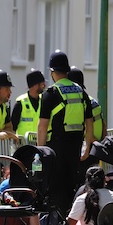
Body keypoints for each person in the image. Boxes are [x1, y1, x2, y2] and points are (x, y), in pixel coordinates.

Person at [37, 50, 94, 216]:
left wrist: (41, 152)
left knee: (55, 188)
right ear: (67, 71)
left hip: (55, 147)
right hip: (75, 146)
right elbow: (89, 123)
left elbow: (42, 126)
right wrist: (87, 147)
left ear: (52, 72)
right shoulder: (81, 92)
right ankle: (70, 221)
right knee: (71, 186)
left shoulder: (51, 94)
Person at [68, 66, 107, 183]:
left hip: (86, 149)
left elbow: (86, 126)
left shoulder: (81, 102)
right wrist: (101, 143)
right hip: (96, 147)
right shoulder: (93, 101)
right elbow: (103, 124)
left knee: (82, 182)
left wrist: (92, 142)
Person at [11, 69, 46, 138]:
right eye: (42, 84)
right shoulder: (20, 103)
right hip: (24, 146)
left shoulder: (44, 101)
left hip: (40, 145)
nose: (44, 86)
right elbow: (13, 127)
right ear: (35, 85)